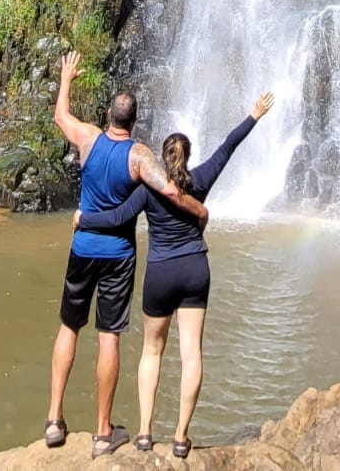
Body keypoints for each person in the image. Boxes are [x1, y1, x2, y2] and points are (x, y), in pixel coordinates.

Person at [76, 92, 276, 458]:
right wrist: (254, 115)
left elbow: (118, 218)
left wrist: (83, 219)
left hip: (160, 274)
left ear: (162, 158)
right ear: (187, 157)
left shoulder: (149, 189)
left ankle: (144, 433)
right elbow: (229, 146)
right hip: (195, 270)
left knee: (152, 351)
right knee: (191, 354)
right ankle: (182, 437)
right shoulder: (200, 180)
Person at [45, 51, 208, 459]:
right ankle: (103, 432)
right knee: (109, 337)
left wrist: (66, 78)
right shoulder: (139, 157)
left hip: (82, 248)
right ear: (134, 122)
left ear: (108, 116)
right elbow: (170, 191)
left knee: (69, 327)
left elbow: (61, 117)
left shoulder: (87, 138)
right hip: (118, 254)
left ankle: (53, 420)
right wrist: (200, 211)